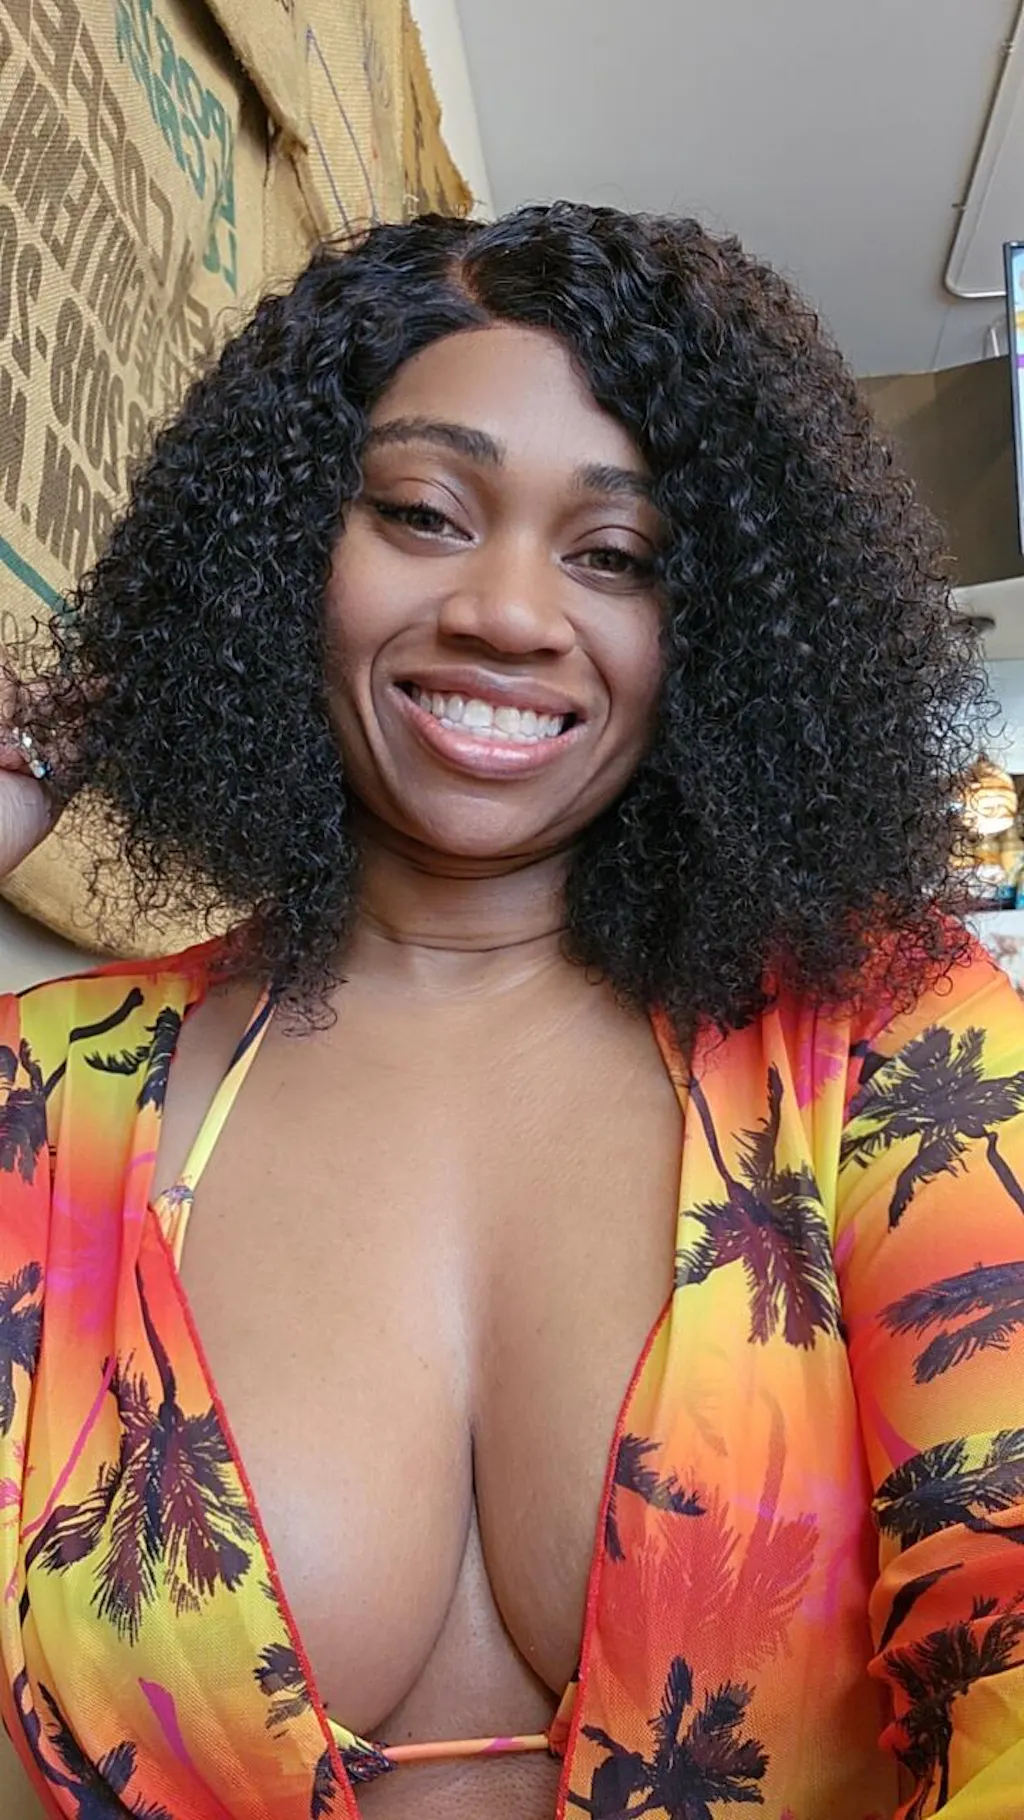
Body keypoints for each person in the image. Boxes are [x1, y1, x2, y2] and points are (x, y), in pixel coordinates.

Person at [0, 202, 1020, 1820]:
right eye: (422, 513)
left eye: (617, 555)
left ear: (723, 632)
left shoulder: (890, 1041)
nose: (511, 611)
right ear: (280, 549)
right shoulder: (51, 1101)